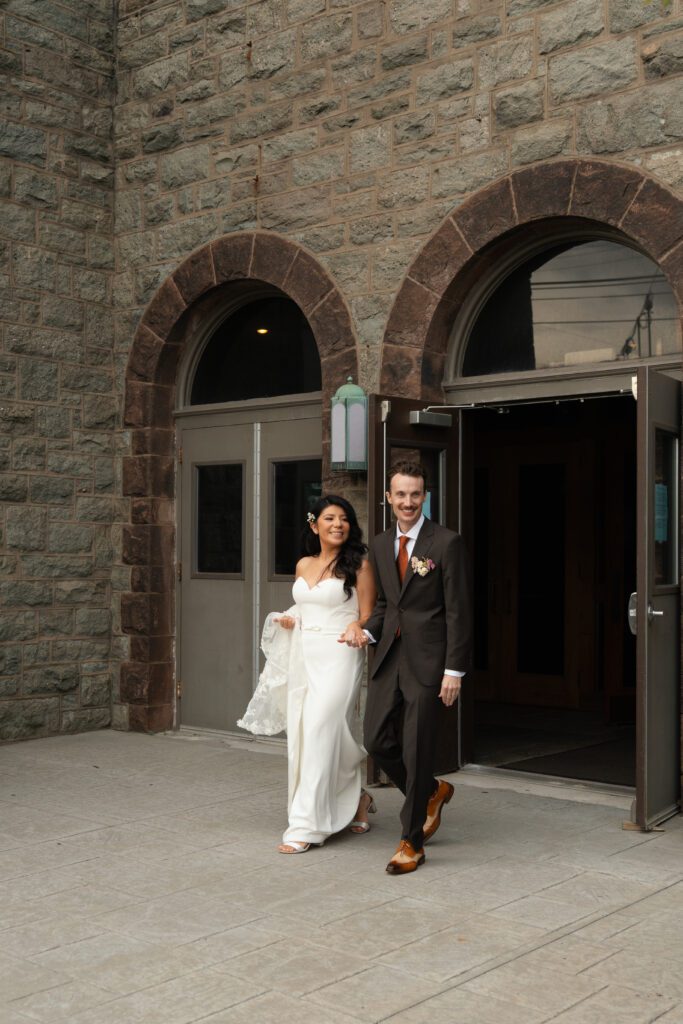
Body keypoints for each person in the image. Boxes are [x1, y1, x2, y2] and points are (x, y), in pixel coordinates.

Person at [238, 495, 376, 854]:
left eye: (344, 518)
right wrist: (289, 618)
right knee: (314, 734)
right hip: (305, 653)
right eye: (330, 518)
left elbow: (369, 613)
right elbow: (304, 606)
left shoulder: (359, 564)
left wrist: (355, 624)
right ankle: (357, 798)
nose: (338, 524)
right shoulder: (303, 564)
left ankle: (307, 826)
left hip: (340, 654)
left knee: (320, 729)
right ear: (315, 526)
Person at [359, 461, 472, 874]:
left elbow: (459, 610)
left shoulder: (446, 543)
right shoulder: (380, 542)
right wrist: (368, 633)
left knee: (417, 746)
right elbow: (389, 604)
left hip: (430, 662)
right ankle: (430, 791)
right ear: (388, 498)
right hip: (390, 657)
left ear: (425, 496)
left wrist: (454, 670)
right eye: (401, 494)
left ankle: (411, 842)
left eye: (416, 494)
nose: (408, 502)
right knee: (375, 740)